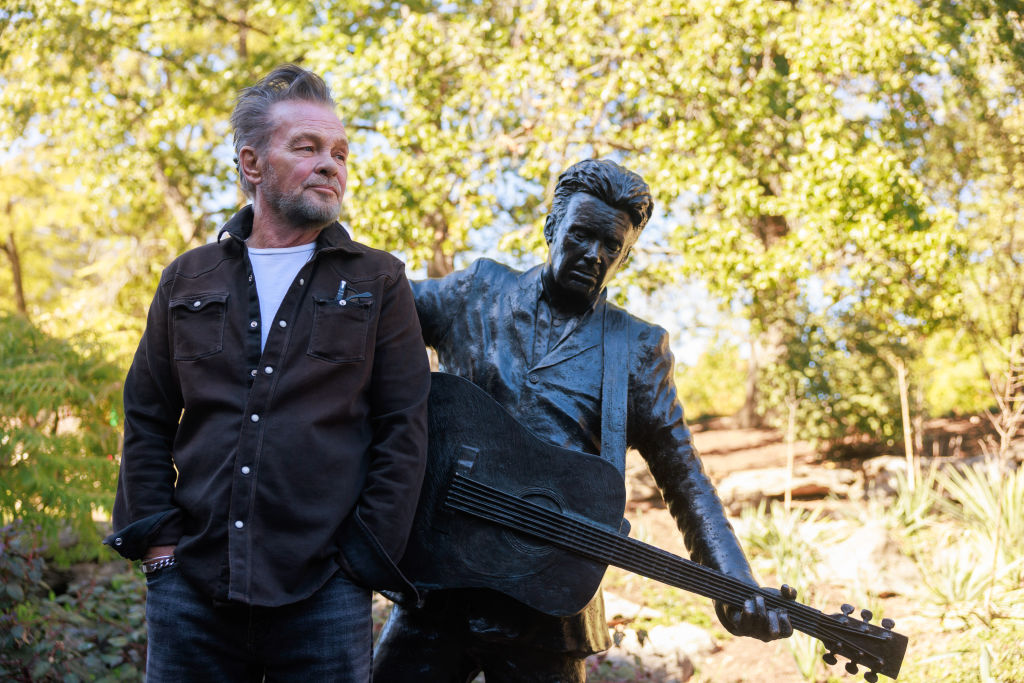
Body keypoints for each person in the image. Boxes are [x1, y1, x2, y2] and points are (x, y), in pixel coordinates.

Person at [373, 158, 794, 682]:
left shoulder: (637, 349)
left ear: (625, 254)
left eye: (611, 247)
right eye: (581, 235)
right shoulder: (474, 293)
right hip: (435, 588)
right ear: (551, 227)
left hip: (549, 610)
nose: (594, 254)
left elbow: (686, 480)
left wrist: (737, 586)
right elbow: (375, 307)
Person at [104, 65, 430, 682]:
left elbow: (403, 427)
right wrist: (159, 544)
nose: (331, 164)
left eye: (339, 152)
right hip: (192, 585)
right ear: (252, 164)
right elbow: (146, 414)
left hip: (325, 589)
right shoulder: (187, 278)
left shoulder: (378, 280)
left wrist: (362, 557)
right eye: (307, 148)